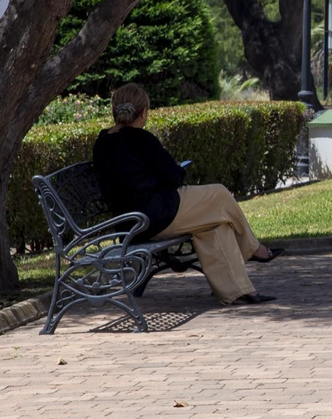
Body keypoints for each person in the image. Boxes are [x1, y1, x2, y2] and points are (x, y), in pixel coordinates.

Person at [91, 83, 280, 306]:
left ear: (115, 111)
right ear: (143, 113)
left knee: (215, 223)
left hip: (130, 222)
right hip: (157, 215)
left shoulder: (102, 142)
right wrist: (177, 169)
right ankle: (254, 249)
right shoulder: (141, 139)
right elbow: (173, 176)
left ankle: (239, 291)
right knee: (220, 194)